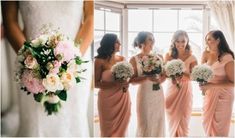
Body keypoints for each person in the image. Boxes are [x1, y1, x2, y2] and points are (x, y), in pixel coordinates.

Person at [2, 1, 93, 136]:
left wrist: (71, 63)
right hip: (30, 68)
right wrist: (33, 64)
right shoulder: (30, 66)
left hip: (74, 66)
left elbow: (91, 16)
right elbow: (10, 21)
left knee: (74, 123)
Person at [129, 31, 165, 137]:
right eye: (150, 39)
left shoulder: (159, 57)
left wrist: (160, 80)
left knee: (158, 120)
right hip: (145, 93)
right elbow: (132, 81)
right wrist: (147, 77)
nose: (153, 41)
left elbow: (164, 75)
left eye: (153, 38)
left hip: (158, 93)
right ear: (142, 42)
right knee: (145, 121)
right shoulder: (134, 59)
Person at [94, 33, 131, 137]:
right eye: (117, 42)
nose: (120, 44)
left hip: (123, 97)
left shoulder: (122, 59)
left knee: (123, 129)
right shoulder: (99, 61)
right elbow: (95, 83)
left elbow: (126, 77)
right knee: (107, 130)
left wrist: (126, 83)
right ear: (110, 43)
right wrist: (115, 84)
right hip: (107, 100)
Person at [200, 30, 234, 136]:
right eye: (206, 40)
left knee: (219, 128)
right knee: (206, 123)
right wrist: (202, 83)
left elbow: (233, 83)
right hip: (209, 94)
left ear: (218, 40)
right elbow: (201, 73)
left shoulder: (227, 57)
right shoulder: (205, 54)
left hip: (223, 95)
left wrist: (212, 85)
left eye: (209, 39)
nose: (207, 42)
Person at [164, 30, 197, 137]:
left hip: (185, 90)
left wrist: (183, 76)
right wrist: (172, 77)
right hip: (172, 90)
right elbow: (165, 74)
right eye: (177, 41)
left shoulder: (192, 57)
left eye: (183, 41)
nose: (180, 44)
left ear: (187, 41)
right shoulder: (168, 56)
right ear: (173, 42)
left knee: (183, 118)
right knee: (172, 119)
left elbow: (195, 76)